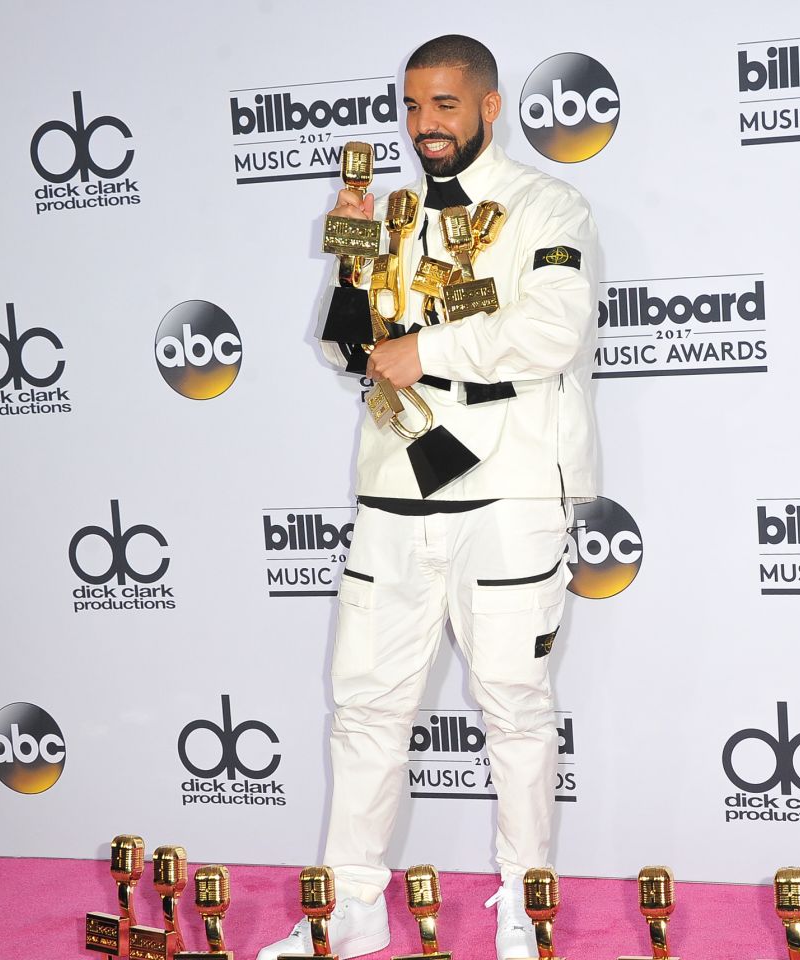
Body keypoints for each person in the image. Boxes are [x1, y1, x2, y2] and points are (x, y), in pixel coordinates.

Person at [255, 33, 600, 960]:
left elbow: (553, 331)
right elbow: (343, 348)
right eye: (412, 106)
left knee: (516, 709)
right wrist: (353, 249)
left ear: (489, 106)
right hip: (395, 491)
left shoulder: (548, 204)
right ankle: (353, 915)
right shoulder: (390, 211)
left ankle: (528, 914)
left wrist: (431, 350)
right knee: (364, 709)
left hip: (508, 493)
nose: (424, 126)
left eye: (444, 106)